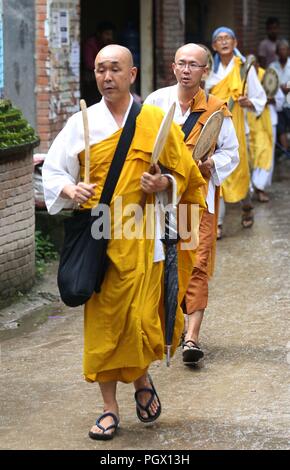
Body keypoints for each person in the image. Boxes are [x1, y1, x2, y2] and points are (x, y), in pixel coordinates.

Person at [42, 45, 206, 440]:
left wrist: (163, 182)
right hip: (100, 238)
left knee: (140, 323)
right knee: (105, 324)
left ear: (132, 75)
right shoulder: (83, 122)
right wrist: (71, 187)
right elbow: (52, 171)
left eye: (115, 69)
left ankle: (142, 378)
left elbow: (186, 176)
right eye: (100, 70)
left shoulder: (153, 119)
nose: (107, 76)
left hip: (144, 235)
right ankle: (109, 407)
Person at [144, 43, 239, 365]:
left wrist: (213, 165)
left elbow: (231, 153)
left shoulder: (217, 109)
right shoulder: (156, 102)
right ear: (173, 67)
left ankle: (191, 338)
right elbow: (143, 147)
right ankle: (165, 329)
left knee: (197, 264)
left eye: (193, 65)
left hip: (199, 200)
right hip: (161, 199)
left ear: (204, 71)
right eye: (181, 64)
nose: (186, 70)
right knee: (160, 262)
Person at [206, 27, 267, 238]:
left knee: (240, 171)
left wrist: (248, 102)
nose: (223, 42)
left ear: (235, 43)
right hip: (214, 128)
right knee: (216, 172)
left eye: (227, 38)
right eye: (219, 39)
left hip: (238, 128)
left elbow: (259, 97)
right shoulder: (210, 71)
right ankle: (219, 223)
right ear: (214, 46)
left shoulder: (244, 69)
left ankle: (247, 206)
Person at [247, 57, 285, 202]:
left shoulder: (267, 76)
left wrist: (267, 100)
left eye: (255, 64)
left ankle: (260, 188)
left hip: (269, 121)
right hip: (249, 123)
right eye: (250, 65)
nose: (253, 67)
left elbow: (280, 100)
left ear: (258, 64)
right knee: (251, 154)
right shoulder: (244, 79)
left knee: (266, 153)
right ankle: (251, 188)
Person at [82, 21, 115, 106]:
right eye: (107, 34)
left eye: (111, 35)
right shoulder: (90, 44)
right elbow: (89, 64)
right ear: (99, 34)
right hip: (91, 80)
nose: (109, 37)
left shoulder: (109, 45)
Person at [269, 39, 290, 157]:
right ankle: (285, 152)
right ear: (277, 52)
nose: (283, 52)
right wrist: (283, 88)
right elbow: (269, 84)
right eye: (281, 49)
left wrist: (283, 87)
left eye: (285, 49)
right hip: (279, 104)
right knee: (281, 127)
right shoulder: (272, 66)